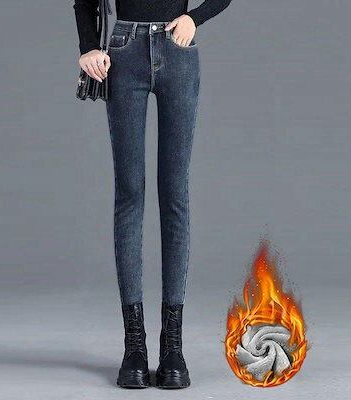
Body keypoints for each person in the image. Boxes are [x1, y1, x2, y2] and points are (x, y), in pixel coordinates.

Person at [73, 0, 233, 389]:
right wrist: (88, 46)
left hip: (178, 49)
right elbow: (84, 1)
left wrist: (194, 18)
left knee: (174, 195)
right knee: (129, 194)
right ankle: (134, 347)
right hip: (124, 49)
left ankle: (172, 347)